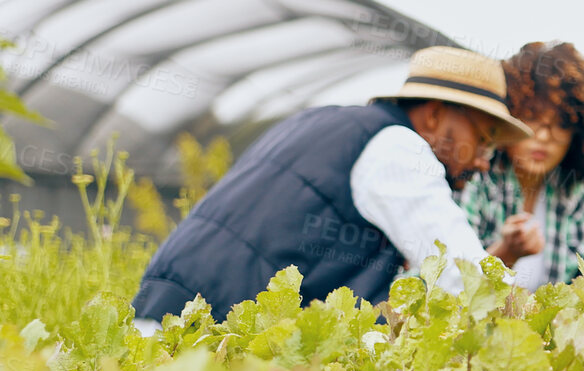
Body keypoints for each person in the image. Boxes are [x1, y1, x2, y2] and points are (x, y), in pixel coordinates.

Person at [132, 46, 542, 327]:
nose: (484, 161)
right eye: (484, 139)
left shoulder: (322, 122)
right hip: (210, 343)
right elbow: (468, 280)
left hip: (167, 320)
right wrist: (548, 329)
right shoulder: (400, 148)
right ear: (434, 116)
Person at [459, 41, 584, 288]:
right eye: (531, 118)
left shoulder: (581, 194)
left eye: (561, 124)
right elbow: (452, 282)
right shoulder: (475, 178)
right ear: (507, 116)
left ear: (580, 132)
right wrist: (506, 252)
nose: (543, 137)